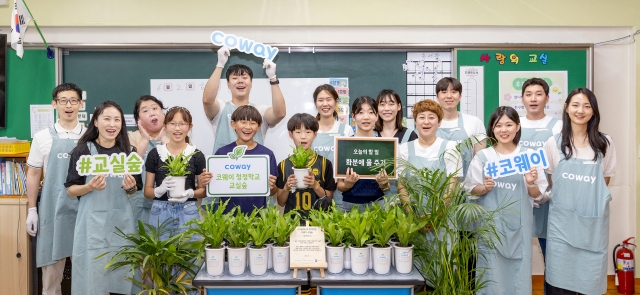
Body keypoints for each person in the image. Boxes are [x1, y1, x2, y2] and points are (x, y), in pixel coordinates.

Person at [464, 106, 547, 295]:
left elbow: (539, 196)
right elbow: (470, 188)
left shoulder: (529, 156)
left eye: (509, 124)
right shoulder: (483, 156)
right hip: (490, 228)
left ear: (517, 127)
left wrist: (531, 183)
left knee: (518, 274)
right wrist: (484, 188)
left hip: (519, 228)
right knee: (490, 274)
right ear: (492, 129)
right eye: (498, 125)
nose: (504, 129)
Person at [65, 101, 143, 295]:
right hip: (92, 224)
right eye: (106, 118)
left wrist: (131, 188)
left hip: (122, 223)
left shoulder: (129, 152)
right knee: (93, 270)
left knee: (123, 270)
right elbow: (71, 189)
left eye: (117, 120)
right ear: (96, 122)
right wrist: (89, 186)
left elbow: (136, 189)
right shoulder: (83, 151)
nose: (112, 124)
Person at [543, 88, 616, 295]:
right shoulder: (554, 143)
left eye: (586, 105)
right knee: (559, 284)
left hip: (591, 228)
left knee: (590, 284)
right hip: (562, 227)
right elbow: (552, 181)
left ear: (593, 111)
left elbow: (604, 181)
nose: (580, 110)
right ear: (566, 108)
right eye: (575, 105)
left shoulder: (604, 143)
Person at [202, 46, 285, 208]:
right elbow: (207, 100)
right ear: (227, 84)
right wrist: (220, 64)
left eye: (245, 77)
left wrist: (273, 78)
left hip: (255, 191)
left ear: (251, 83)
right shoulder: (220, 108)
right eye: (234, 78)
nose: (240, 81)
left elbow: (280, 112)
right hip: (226, 188)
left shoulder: (259, 111)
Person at [26, 83, 86, 295]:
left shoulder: (90, 137)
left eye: (73, 101)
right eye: (63, 100)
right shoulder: (42, 137)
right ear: (54, 104)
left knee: (85, 274)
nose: (68, 105)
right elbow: (33, 174)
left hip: (84, 211)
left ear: (81, 104)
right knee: (51, 276)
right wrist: (32, 209)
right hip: (53, 211)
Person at [144, 106, 206, 238]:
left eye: (182, 124)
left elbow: (203, 191)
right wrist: (158, 190)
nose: (177, 128)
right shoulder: (155, 154)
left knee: (190, 255)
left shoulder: (196, 155)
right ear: (165, 126)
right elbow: (147, 192)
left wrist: (190, 193)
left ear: (190, 127)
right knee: (161, 256)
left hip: (188, 210)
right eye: (172, 124)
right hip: (160, 211)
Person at [518, 78, 562, 262]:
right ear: (522, 99)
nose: (533, 99)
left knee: (551, 256)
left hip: (547, 198)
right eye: (528, 94)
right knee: (515, 255)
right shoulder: (514, 124)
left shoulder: (558, 126)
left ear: (547, 98)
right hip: (518, 195)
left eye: (538, 94)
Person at [214, 105, 278, 214]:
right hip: (227, 218)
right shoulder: (222, 153)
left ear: (259, 127)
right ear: (233, 124)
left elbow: (273, 191)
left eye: (253, 123)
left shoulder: (267, 154)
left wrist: (271, 187)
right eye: (243, 122)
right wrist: (206, 180)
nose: (248, 127)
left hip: (257, 218)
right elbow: (214, 186)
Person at [276, 113, 336, 220]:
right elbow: (281, 202)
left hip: (317, 222)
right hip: (291, 222)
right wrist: (286, 187)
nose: (303, 136)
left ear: (315, 134)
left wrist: (315, 186)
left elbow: (329, 199)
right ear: (290, 134)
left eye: (308, 132)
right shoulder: (283, 165)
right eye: (298, 132)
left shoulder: (324, 163)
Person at [397, 99, 461, 196]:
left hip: (443, 210)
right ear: (415, 121)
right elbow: (401, 185)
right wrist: (409, 210)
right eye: (422, 117)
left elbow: (453, 185)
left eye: (431, 118)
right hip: (411, 210)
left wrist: (439, 211)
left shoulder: (450, 147)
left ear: (439, 122)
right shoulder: (403, 149)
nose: (426, 122)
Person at [337, 96, 390, 212]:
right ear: (353, 117)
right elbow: (340, 185)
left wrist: (384, 184)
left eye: (371, 112)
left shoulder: (385, 145)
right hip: (350, 205)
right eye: (360, 112)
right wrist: (348, 184)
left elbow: (387, 187)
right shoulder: (344, 145)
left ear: (376, 116)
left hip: (378, 205)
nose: (366, 117)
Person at [128, 95, 169, 224]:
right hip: (140, 203)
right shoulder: (130, 138)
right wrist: (145, 139)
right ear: (138, 119)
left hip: (171, 202)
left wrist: (163, 139)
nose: (152, 113)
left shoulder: (176, 134)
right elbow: (130, 164)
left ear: (163, 113)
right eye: (145, 111)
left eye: (155, 108)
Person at [311, 84, 353, 207]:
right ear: (315, 103)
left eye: (329, 99)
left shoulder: (346, 130)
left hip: (340, 190)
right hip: (315, 189)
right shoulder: (309, 130)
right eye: (320, 100)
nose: (325, 104)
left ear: (336, 101)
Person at [435, 77, 486, 177]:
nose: (449, 96)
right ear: (437, 96)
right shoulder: (428, 124)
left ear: (460, 96)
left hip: (466, 187)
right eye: (444, 92)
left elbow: (480, 160)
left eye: (454, 92)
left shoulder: (474, 122)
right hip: (434, 187)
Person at [374, 89, 418, 197]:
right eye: (382, 104)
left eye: (391, 104)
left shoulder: (410, 135)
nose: (386, 109)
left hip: (404, 195)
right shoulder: (370, 135)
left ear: (399, 107)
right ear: (377, 108)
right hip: (374, 196)